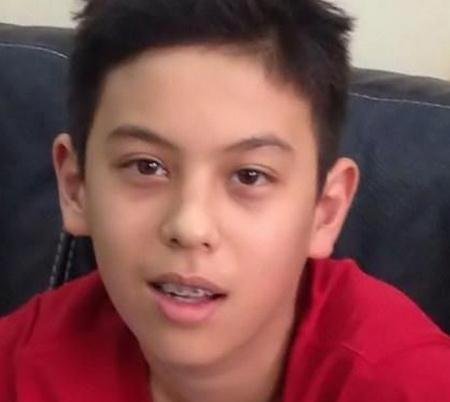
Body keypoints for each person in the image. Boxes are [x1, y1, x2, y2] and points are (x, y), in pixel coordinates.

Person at [1, 0, 449, 401]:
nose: (190, 226)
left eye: (249, 176)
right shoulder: (20, 370)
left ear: (326, 210)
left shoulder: (406, 384)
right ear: (75, 187)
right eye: (146, 166)